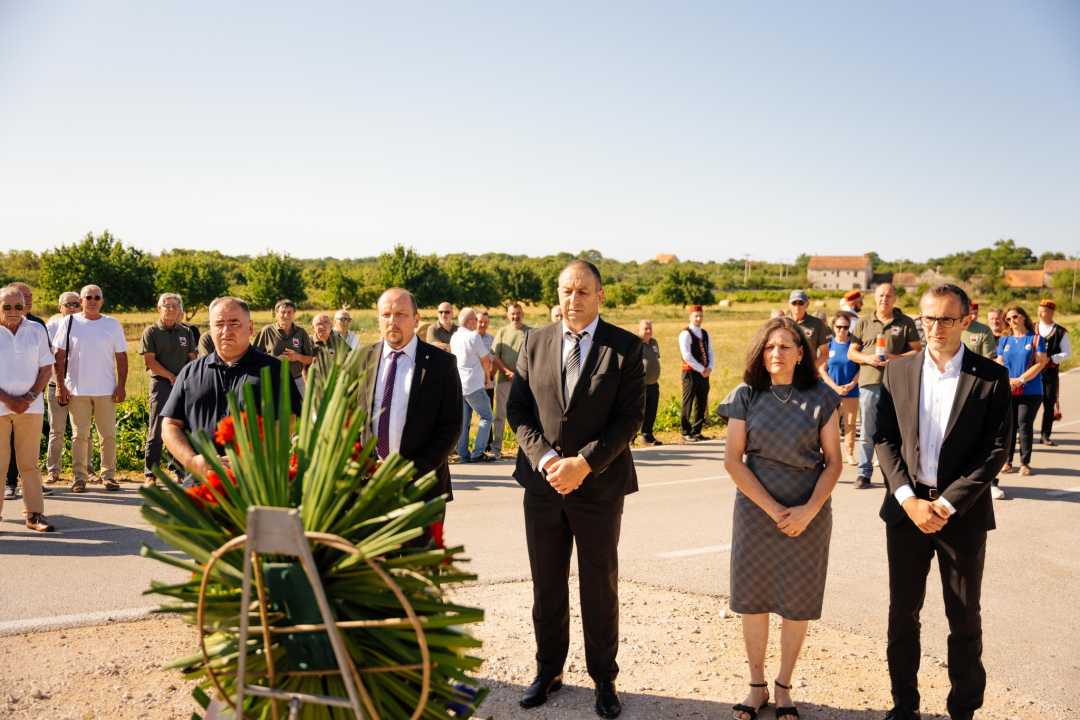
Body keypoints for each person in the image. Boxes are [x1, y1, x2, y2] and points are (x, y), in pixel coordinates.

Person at [507, 260, 645, 719]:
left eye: (583, 291)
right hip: (543, 486)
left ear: (600, 296)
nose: (573, 299)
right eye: (567, 290)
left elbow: (630, 420)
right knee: (547, 585)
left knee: (598, 586)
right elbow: (519, 410)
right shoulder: (535, 340)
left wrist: (584, 463)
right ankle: (548, 670)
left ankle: (604, 679)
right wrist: (548, 460)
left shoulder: (625, 347)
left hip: (599, 488)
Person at [875, 284, 1011, 720]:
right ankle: (904, 706)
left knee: (964, 620)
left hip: (962, 516)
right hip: (907, 513)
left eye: (946, 319)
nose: (935, 327)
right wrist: (909, 500)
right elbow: (883, 439)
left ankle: (964, 710)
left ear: (966, 319)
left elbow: (995, 450)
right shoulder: (897, 372)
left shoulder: (990, 377)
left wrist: (948, 504)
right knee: (903, 615)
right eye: (928, 319)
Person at [717, 317, 842, 720]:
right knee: (753, 601)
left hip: (809, 512)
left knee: (796, 602)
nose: (777, 353)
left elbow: (834, 463)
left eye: (786, 346)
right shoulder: (745, 396)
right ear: (761, 351)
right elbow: (733, 462)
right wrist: (773, 510)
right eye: (770, 347)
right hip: (756, 511)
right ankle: (756, 686)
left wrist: (809, 511)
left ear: (801, 353)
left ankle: (784, 685)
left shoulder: (823, 397)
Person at [161, 297, 303, 487]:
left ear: (250, 327)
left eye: (234, 323)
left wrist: (250, 458)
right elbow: (170, 425)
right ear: (210, 329)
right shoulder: (190, 373)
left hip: (256, 485)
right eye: (219, 324)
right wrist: (193, 461)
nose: (226, 331)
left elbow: (288, 421)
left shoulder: (273, 369)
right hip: (200, 485)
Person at [356, 288, 462, 514]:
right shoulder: (360, 360)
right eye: (386, 314)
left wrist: (409, 469)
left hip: (422, 487)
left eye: (400, 314)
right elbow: (347, 422)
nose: (392, 321)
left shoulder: (441, 363)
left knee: (419, 551)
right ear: (378, 319)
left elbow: (451, 426)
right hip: (368, 488)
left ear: (416, 320)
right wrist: (366, 467)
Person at [54, 285, 129, 493]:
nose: (93, 300)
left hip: (106, 389)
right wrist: (60, 386)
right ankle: (79, 477)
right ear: (81, 301)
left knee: (108, 434)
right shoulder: (69, 322)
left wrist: (121, 385)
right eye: (88, 297)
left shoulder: (112, 324)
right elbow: (58, 357)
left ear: (102, 301)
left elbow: (121, 357)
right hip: (77, 390)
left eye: (97, 297)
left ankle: (109, 476)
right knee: (79, 435)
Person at [848, 284, 921, 489]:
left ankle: (897, 476)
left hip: (897, 382)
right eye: (881, 295)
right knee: (868, 431)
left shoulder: (905, 322)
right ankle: (864, 473)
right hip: (869, 382)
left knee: (897, 431)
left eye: (888, 295)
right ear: (875, 297)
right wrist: (867, 358)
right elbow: (851, 352)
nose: (884, 299)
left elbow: (916, 351)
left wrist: (895, 358)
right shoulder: (863, 322)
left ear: (895, 298)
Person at [0, 286, 55, 531]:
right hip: (1, 408)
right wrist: (9, 400)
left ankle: (34, 516)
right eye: (7, 306)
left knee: (30, 464)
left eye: (18, 306)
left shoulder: (36, 330)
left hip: (30, 408)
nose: (13, 311)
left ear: (25, 306)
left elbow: (46, 368)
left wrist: (30, 397)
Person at [138, 294, 197, 488]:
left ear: (180, 309)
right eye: (167, 306)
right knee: (156, 430)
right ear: (159, 308)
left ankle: (179, 472)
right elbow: (150, 361)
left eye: (175, 306)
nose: (172, 309)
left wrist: (183, 379)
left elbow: (192, 358)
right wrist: (172, 377)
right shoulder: (151, 331)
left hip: (183, 385)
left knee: (179, 429)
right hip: (161, 385)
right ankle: (150, 475)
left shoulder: (186, 332)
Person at [42, 292, 93, 488]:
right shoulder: (51, 328)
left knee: (83, 431)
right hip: (57, 384)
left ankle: (87, 469)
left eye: (75, 304)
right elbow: (49, 357)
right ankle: (53, 471)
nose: (72, 307)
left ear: (80, 305)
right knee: (56, 430)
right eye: (67, 304)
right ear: (59, 307)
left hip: (80, 387)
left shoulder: (87, 326)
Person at [995, 306, 1046, 476]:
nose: (1012, 321)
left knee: (1024, 424)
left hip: (1030, 390)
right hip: (1009, 388)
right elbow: (1000, 361)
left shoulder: (1036, 339)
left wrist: (1020, 380)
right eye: (1008, 319)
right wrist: (1007, 380)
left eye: (1015, 317)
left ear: (1023, 317)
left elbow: (1040, 363)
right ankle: (1007, 462)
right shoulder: (1004, 340)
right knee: (1009, 426)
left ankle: (1025, 463)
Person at [450, 308, 496, 464]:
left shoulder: (454, 336)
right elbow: (485, 359)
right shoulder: (473, 336)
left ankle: (464, 455)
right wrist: (488, 378)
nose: (477, 323)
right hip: (474, 385)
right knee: (487, 417)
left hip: (460, 385)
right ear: (470, 322)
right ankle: (477, 452)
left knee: (464, 422)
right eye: (475, 320)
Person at [490, 303, 530, 460]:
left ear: (523, 313)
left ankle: (526, 449)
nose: (516, 316)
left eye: (518, 313)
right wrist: (507, 372)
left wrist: (519, 374)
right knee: (500, 415)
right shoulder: (502, 332)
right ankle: (496, 449)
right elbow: (495, 356)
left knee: (525, 414)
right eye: (513, 313)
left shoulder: (531, 332)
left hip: (525, 381)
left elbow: (532, 357)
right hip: (504, 380)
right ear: (508, 315)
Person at [253, 299, 314, 397]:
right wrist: (276, 360)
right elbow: (254, 358)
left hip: (297, 381)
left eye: (290, 312)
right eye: (283, 312)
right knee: (274, 412)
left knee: (301, 411)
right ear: (276, 314)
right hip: (272, 381)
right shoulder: (267, 331)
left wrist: (297, 357)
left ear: (294, 313)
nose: (286, 315)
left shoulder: (301, 332)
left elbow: (310, 359)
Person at [821, 312, 860, 465]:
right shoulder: (829, 345)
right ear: (833, 328)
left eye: (845, 327)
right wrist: (835, 387)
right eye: (839, 327)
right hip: (832, 392)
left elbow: (860, 369)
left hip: (851, 390)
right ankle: (832, 455)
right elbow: (822, 370)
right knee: (832, 424)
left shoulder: (854, 347)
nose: (842, 330)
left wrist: (852, 384)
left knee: (850, 423)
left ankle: (849, 454)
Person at [1036, 299, 1070, 446]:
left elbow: (1067, 353)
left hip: (1049, 372)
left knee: (1048, 404)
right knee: (1029, 403)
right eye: (1039, 309)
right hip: (1033, 372)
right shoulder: (1032, 328)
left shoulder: (1060, 331)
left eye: (1043, 310)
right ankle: (1023, 432)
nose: (1039, 313)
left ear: (1051, 312)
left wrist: (1051, 358)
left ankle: (1045, 435)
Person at [679, 305, 714, 442]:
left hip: (704, 372)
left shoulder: (705, 333)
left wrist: (710, 367)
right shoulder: (685, 333)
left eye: (700, 316)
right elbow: (686, 355)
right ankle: (685, 431)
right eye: (696, 316)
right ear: (690, 317)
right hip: (690, 372)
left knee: (701, 400)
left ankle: (697, 430)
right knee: (688, 401)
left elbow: (710, 351)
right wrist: (701, 369)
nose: (698, 318)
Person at [787, 290, 831, 370]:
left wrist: (811, 369)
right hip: (786, 372)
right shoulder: (782, 322)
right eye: (794, 303)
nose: (797, 306)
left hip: (806, 375)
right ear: (789, 304)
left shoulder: (817, 324)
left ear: (807, 304)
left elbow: (825, 353)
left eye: (801, 303)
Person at [638, 319, 663, 446]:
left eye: (650, 328)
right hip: (640, 385)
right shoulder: (636, 343)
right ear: (638, 330)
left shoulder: (654, 342)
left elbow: (655, 358)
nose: (648, 331)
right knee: (637, 411)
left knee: (651, 411)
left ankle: (647, 435)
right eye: (645, 328)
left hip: (653, 384)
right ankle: (630, 438)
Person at [476, 310, 496, 452]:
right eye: (480, 321)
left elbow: (494, 360)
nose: (482, 324)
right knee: (467, 417)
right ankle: (463, 447)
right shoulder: (470, 338)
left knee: (488, 415)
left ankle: (487, 445)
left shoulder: (492, 339)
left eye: (485, 322)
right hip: (472, 384)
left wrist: (490, 376)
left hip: (489, 384)